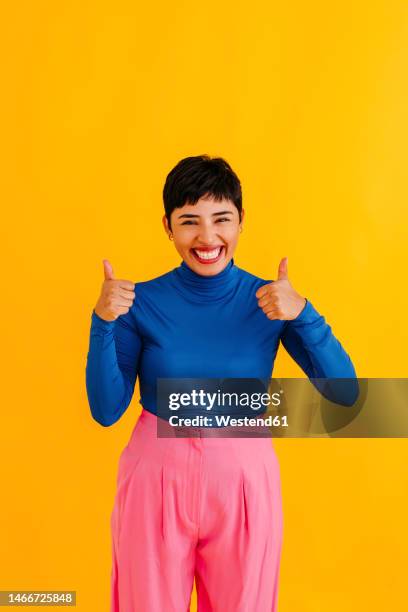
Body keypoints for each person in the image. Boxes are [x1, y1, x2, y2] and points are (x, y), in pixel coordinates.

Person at [85, 154, 357, 612]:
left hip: (244, 480)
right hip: (155, 479)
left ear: (241, 221)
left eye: (221, 219)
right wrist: (102, 322)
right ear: (168, 227)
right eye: (189, 221)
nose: (207, 238)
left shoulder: (270, 301)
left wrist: (304, 313)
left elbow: (345, 396)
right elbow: (107, 410)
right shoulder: (139, 302)